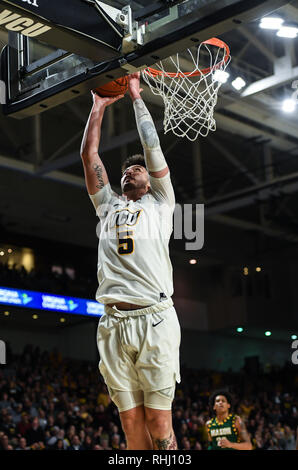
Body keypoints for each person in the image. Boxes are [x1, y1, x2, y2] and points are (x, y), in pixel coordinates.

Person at [80, 72, 181, 450]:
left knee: (158, 424)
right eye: (125, 169)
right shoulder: (107, 205)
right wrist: (98, 106)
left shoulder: (160, 203)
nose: (129, 171)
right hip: (113, 321)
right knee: (132, 428)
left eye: (136, 169)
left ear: (151, 181)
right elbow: (90, 156)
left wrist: (137, 96)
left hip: (154, 318)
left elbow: (151, 148)